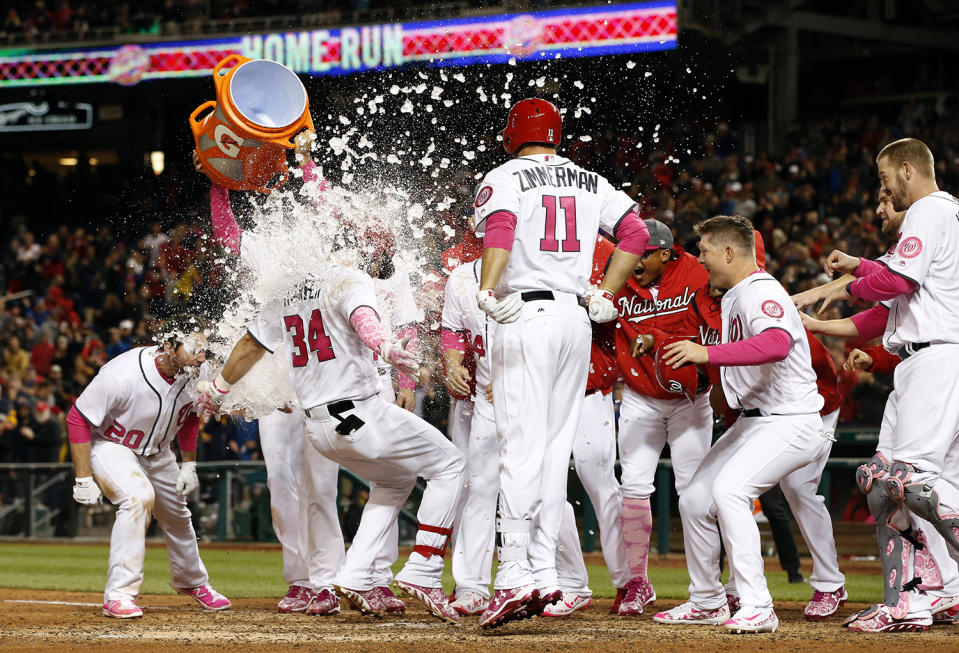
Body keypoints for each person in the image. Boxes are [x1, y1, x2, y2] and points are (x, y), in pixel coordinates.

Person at [200, 264, 466, 623]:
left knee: (395, 480)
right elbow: (363, 317)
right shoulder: (347, 276)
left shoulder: (286, 287)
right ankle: (424, 567)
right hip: (360, 414)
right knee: (452, 464)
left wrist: (218, 387)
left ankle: (354, 572)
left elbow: (251, 343)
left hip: (319, 427)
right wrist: (385, 347)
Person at [471, 97, 649, 628]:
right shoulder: (590, 179)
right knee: (551, 454)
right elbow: (637, 234)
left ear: (514, 133)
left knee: (519, 448)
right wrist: (605, 291)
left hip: (524, 313)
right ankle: (544, 572)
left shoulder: (505, 175)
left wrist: (484, 287)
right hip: (576, 318)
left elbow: (501, 228)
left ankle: (512, 577)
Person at [801, 138, 959, 632]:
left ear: (907, 170)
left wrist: (834, 286)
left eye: (884, 178)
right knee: (895, 482)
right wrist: (824, 316)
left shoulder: (929, 211)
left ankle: (908, 600)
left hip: (934, 361)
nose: (882, 188)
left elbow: (896, 283)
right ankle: (938, 592)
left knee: (899, 481)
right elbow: (886, 305)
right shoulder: (944, 214)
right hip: (927, 360)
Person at [658, 215, 827, 633]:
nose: (700, 259)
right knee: (695, 498)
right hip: (755, 421)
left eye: (705, 250)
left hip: (790, 420)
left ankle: (757, 604)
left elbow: (776, 343)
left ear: (730, 252)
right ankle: (707, 601)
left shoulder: (761, 290)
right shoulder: (734, 295)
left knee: (730, 491)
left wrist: (706, 355)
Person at [66, 331, 231, 618]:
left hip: (158, 451)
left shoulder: (197, 371)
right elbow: (77, 418)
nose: (201, 357)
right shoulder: (122, 373)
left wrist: (188, 464)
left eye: (204, 351)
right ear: (168, 346)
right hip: (111, 445)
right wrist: (83, 477)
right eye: (194, 350)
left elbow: (192, 415)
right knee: (137, 498)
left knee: (177, 515)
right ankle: (119, 594)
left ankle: (192, 582)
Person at [611, 218, 713, 616]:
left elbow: (712, 330)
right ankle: (638, 582)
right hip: (640, 397)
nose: (634, 259)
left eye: (644, 253)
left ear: (666, 253)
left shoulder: (698, 274)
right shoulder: (616, 273)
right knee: (633, 486)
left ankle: (707, 588)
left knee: (694, 493)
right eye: (631, 250)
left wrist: (664, 339)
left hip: (691, 399)